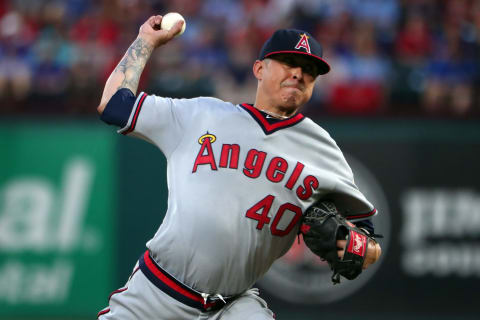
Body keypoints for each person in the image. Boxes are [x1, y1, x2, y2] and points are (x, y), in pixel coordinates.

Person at [96, 15, 382, 320]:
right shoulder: (200, 115)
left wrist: (349, 243)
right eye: (288, 62)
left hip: (231, 306)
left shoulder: (322, 149)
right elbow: (114, 105)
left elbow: (369, 242)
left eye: (309, 71)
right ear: (259, 69)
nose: (298, 73)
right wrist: (146, 41)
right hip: (156, 295)